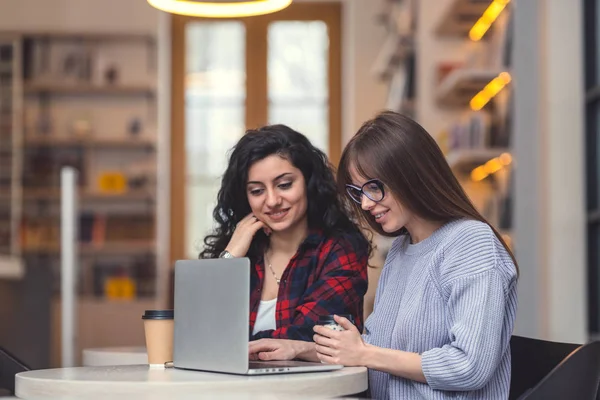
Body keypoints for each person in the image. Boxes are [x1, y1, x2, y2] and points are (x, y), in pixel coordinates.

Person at [249, 111, 518, 399]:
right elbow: (374, 346)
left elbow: (469, 366)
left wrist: (364, 353)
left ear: (412, 175)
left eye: (374, 188)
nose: (365, 203)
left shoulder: (471, 242)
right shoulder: (402, 250)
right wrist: (301, 349)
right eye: (358, 191)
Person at [200, 124, 370, 342]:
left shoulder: (340, 248)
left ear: (309, 182)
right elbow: (200, 333)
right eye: (257, 191)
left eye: (284, 184)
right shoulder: (243, 250)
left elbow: (310, 334)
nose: (272, 201)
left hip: (314, 378)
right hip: (232, 378)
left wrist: (234, 344)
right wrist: (230, 257)